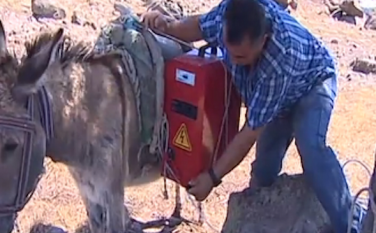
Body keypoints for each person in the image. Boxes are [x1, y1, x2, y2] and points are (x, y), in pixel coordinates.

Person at [141, 0, 366, 232]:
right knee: (263, 172)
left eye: (240, 56)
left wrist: (212, 177)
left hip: (312, 85)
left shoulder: (280, 57)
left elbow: (249, 132)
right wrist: (167, 27)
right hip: (273, 101)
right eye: (227, 48)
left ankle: (350, 223)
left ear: (264, 40)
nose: (231, 56)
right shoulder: (229, 13)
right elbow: (198, 26)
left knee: (311, 147)